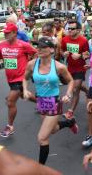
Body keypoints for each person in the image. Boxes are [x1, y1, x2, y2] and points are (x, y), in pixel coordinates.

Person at [23, 37, 78, 165]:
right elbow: (25, 78)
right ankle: (69, 123)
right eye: (38, 47)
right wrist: (25, 89)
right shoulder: (32, 64)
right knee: (53, 129)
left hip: (54, 101)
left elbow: (71, 81)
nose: (39, 49)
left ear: (51, 50)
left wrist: (68, 94)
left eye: (43, 47)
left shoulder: (59, 67)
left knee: (42, 137)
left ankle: (40, 168)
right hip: (41, 101)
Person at [0, 23, 37, 137]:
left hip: (21, 78)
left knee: (10, 102)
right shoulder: (2, 45)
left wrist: (30, 65)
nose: (5, 34)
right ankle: (43, 103)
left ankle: (10, 127)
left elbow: (35, 53)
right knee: (24, 95)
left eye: (8, 33)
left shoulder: (23, 45)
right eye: (5, 33)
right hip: (10, 78)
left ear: (14, 33)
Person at [61, 20, 89, 119]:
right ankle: (86, 90)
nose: (70, 30)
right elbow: (61, 50)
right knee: (77, 85)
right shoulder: (65, 39)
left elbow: (87, 54)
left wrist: (81, 55)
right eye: (69, 28)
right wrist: (63, 54)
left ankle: (70, 111)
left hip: (80, 68)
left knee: (75, 89)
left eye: (72, 29)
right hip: (69, 68)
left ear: (78, 30)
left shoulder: (83, 40)